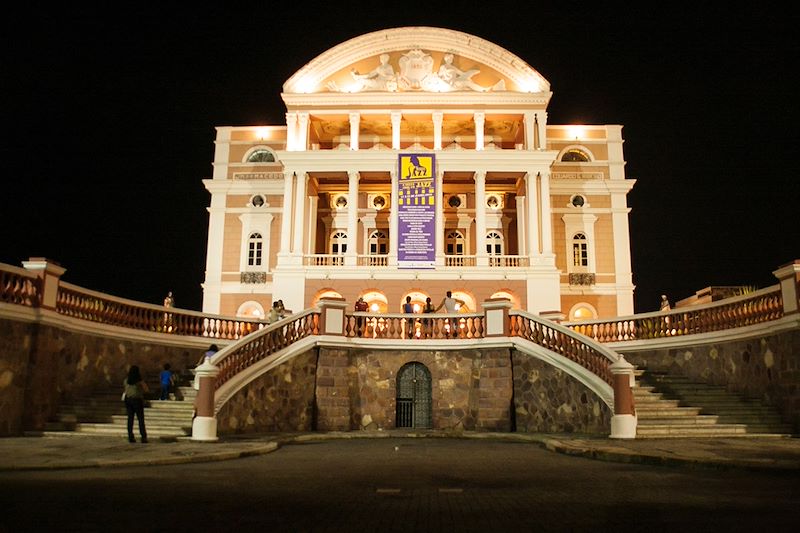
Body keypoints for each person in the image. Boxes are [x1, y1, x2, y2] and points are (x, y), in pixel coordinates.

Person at [123, 365, 149, 443]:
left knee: (130, 419)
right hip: (137, 400)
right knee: (140, 419)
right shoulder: (139, 381)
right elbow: (146, 389)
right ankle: (143, 436)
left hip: (128, 400)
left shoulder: (126, 380)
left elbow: (125, 389)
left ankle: (130, 436)